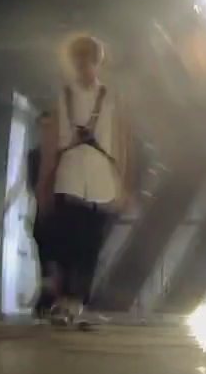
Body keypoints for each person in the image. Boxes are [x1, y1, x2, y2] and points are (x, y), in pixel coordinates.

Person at [37, 34, 131, 330]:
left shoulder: (111, 98)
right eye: (80, 61)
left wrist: (122, 182)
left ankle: (76, 304)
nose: (85, 67)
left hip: (101, 178)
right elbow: (53, 141)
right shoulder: (64, 96)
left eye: (89, 60)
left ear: (97, 62)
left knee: (91, 245)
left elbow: (121, 141)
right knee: (68, 241)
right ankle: (64, 301)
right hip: (70, 175)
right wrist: (44, 181)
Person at [21, 111, 62, 321]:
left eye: (49, 127)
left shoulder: (64, 155)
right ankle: (48, 297)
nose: (45, 132)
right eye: (43, 127)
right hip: (43, 213)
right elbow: (32, 185)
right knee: (45, 258)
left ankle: (54, 297)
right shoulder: (34, 156)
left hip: (61, 213)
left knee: (59, 258)